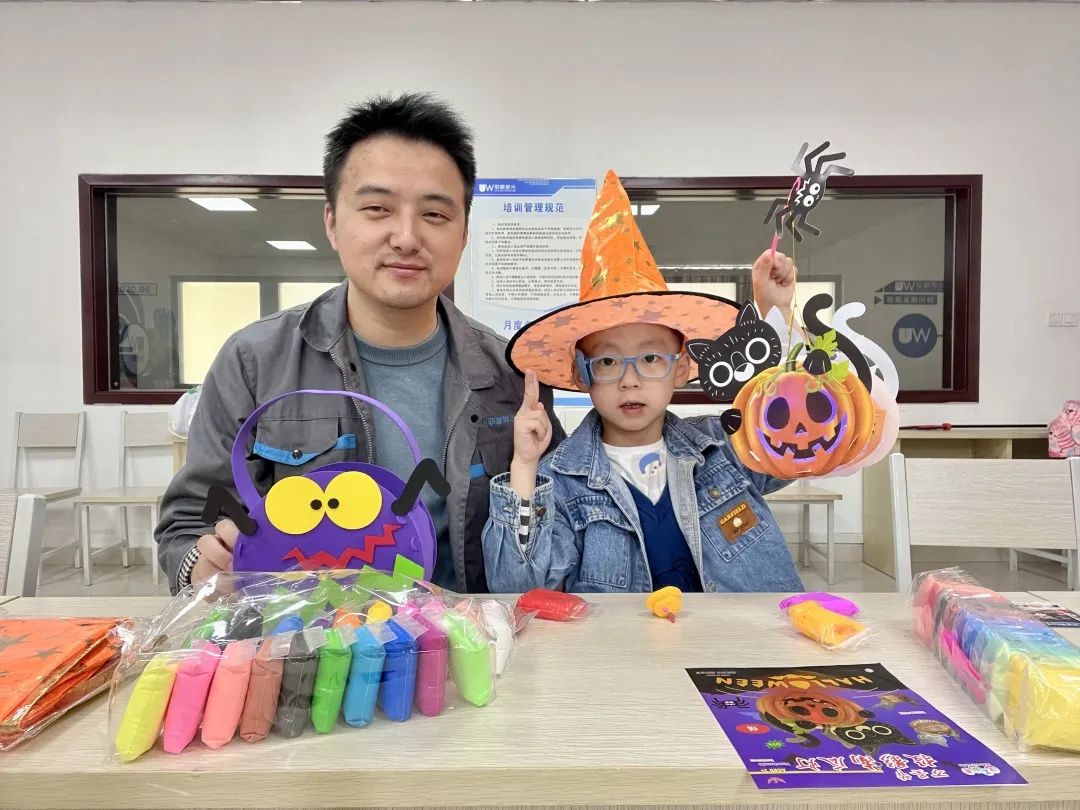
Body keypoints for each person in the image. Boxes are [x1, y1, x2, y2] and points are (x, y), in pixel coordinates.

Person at [156, 92, 565, 594]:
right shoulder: (254, 361)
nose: (406, 237)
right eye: (377, 208)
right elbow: (187, 522)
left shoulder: (510, 374)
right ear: (332, 222)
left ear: (463, 234)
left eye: (435, 215)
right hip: (309, 633)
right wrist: (202, 565)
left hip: (469, 635)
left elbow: (556, 519)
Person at [482, 171, 804, 594]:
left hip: (738, 637)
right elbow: (518, 588)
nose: (630, 381)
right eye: (608, 361)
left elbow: (804, 441)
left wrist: (777, 314)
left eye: (651, 358)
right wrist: (524, 466)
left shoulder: (724, 446)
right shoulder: (558, 481)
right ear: (582, 373)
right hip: (623, 642)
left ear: (682, 367)